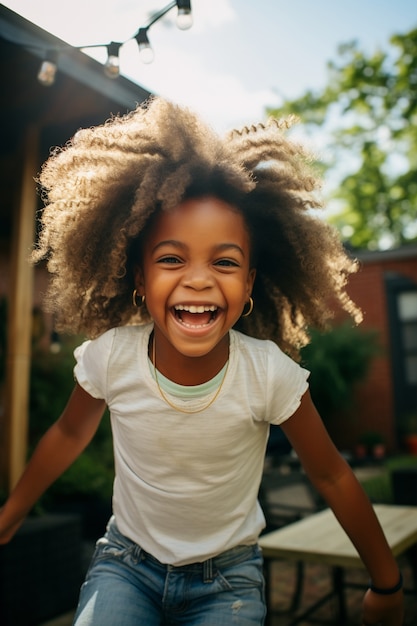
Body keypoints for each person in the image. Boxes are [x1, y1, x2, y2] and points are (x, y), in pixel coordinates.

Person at [0, 97, 404, 626]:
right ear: (140, 280)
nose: (198, 278)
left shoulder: (269, 375)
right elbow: (69, 435)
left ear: (249, 283)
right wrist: (11, 514)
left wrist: (387, 583)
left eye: (224, 262)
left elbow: (331, 475)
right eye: (171, 259)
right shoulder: (113, 356)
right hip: (126, 564)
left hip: (229, 580)